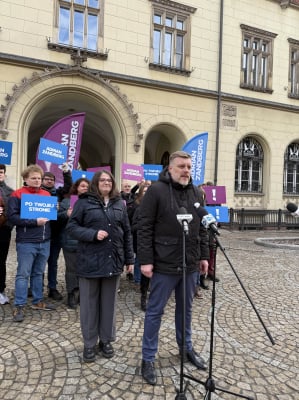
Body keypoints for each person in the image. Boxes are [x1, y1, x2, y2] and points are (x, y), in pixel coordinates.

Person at [137, 150, 210, 385]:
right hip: (163, 264)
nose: (186, 170)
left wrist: (203, 256)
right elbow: (144, 226)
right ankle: (147, 358)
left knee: (186, 310)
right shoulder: (156, 191)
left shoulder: (196, 192)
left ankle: (186, 349)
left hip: (189, 264)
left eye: (189, 166)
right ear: (170, 168)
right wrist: (146, 260)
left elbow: (201, 228)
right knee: (155, 312)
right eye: (181, 166)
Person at [66, 170, 134, 363]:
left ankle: (106, 340)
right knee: (88, 305)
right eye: (102, 180)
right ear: (96, 183)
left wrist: (129, 259)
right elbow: (71, 227)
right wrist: (92, 234)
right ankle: (89, 343)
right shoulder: (84, 202)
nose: (106, 182)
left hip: (113, 262)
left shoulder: (119, 204)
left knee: (109, 305)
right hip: (90, 262)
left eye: (109, 180)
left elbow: (127, 233)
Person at [7, 164, 56, 323]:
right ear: (26, 179)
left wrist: (54, 210)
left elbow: (51, 218)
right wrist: (35, 222)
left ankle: (37, 301)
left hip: (45, 241)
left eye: (39, 178)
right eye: (33, 178)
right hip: (27, 242)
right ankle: (19, 305)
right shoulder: (17, 194)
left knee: (38, 273)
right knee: (23, 274)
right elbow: (12, 218)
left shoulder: (47, 194)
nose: (37, 180)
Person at [41, 164, 72, 300]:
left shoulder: (57, 193)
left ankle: (52, 288)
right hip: (40, 234)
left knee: (53, 263)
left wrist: (66, 172)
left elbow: (68, 187)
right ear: (42, 180)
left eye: (51, 179)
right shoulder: (36, 193)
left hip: (56, 234)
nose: (49, 181)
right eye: (46, 179)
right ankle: (36, 287)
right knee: (39, 263)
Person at [58, 177, 90, 309]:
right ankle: (72, 293)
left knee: (84, 269)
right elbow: (56, 217)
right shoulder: (67, 201)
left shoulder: (92, 202)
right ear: (76, 187)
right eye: (82, 186)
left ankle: (83, 294)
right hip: (70, 241)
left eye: (87, 187)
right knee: (71, 270)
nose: (85, 189)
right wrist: (66, 214)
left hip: (87, 242)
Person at [131, 183, 150, 310]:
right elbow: (133, 227)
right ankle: (143, 297)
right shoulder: (139, 209)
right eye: (145, 192)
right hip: (144, 244)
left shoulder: (159, 208)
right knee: (145, 274)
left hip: (158, 245)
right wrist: (144, 225)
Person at [0, 164, 14, 305]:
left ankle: (0, 290)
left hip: (3, 231)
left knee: (1, 261)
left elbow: (12, 212)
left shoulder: (10, 192)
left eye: (1, 171)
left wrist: (7, 227)